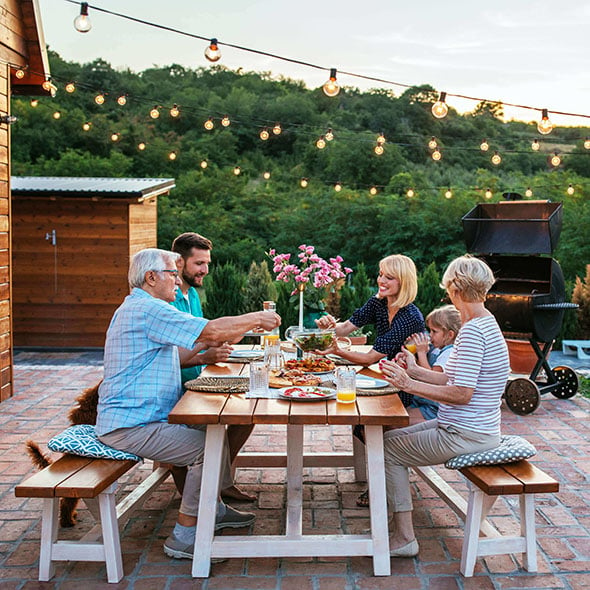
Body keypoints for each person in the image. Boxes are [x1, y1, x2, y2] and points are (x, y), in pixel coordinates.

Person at [96, 248, 281, 561]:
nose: (176, 280)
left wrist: (208, 347)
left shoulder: (143, 308)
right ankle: (184, 535)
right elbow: (210, 330)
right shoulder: (147, 309)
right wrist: (255, 319)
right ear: (150, 277)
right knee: (205, 448)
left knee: (219, 428)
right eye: (171, 273)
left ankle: (215, 510)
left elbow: (183, 350)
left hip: (145, 417)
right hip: (131, 425)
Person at [379, 255, 509, 557]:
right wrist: (413, 369)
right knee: (383, 441)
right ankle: (390, 521)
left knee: (386, 451)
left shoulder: (474, 331)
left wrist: (409, 385)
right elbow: (449, 376)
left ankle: (405, 537)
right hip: (468, 427)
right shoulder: (481, 324)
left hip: (466, 433)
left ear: (455, 288)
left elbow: (462, 393)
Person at [170, 232, 254, 503]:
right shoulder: (168, 300)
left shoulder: (191, 293)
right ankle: (198, 497)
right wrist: (207, 355)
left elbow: (203, 337)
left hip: (200, 380)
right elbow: (174, 358)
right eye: (199, 263)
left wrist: (232, 335)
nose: (205, 270)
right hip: (178, 388)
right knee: (216, 422)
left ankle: (221, 478)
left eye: (207, 263)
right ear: (179, 263)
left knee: (247, 412)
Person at [315, 254, 425, 366]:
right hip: (391, 371)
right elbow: (346, 327)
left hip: (411, 376)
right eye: (380, 275)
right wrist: (328, 328)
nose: (381, 280)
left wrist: (337, 351)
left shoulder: (410, 317)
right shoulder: (379, 302)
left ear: (404, 282)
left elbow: (370, 358)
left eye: (389, 277)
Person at [401, 304, 461, 423]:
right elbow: (419, 368)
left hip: (433, 409)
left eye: (434, 331)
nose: (430, 335)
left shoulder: (449, 353)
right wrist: (412, 353)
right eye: (429, 330)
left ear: (450, 335)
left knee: (395, 422)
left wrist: (421, 353)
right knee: (394, 418)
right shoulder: (436, 348)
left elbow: (431, 378)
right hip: (422, 402)